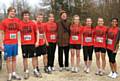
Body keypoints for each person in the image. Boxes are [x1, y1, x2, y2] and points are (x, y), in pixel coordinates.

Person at [0, 7, 21, 81]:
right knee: (8, 59)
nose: (13, 13)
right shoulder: (4, 22)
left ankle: (14, 73)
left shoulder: (17, 20)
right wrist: (1, 44)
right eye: (12, 11)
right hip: (7, 43)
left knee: (14, 58)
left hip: (15, 43)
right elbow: (1, 33)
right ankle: (9, 74)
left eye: (14, 12)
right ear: (8, 12)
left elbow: (20, 29)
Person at [19, 10, 40, 79]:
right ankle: (26, 71)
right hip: (24, 44)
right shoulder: (20, 23)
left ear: (29, 16)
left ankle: (35, 70)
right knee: (25, 58)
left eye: (27, 15)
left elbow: (37, 32)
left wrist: (37, 41)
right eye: (25, 15)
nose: (26, 16)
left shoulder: (33, 23)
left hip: (32, 43)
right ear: (23, 16)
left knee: (34, 57)